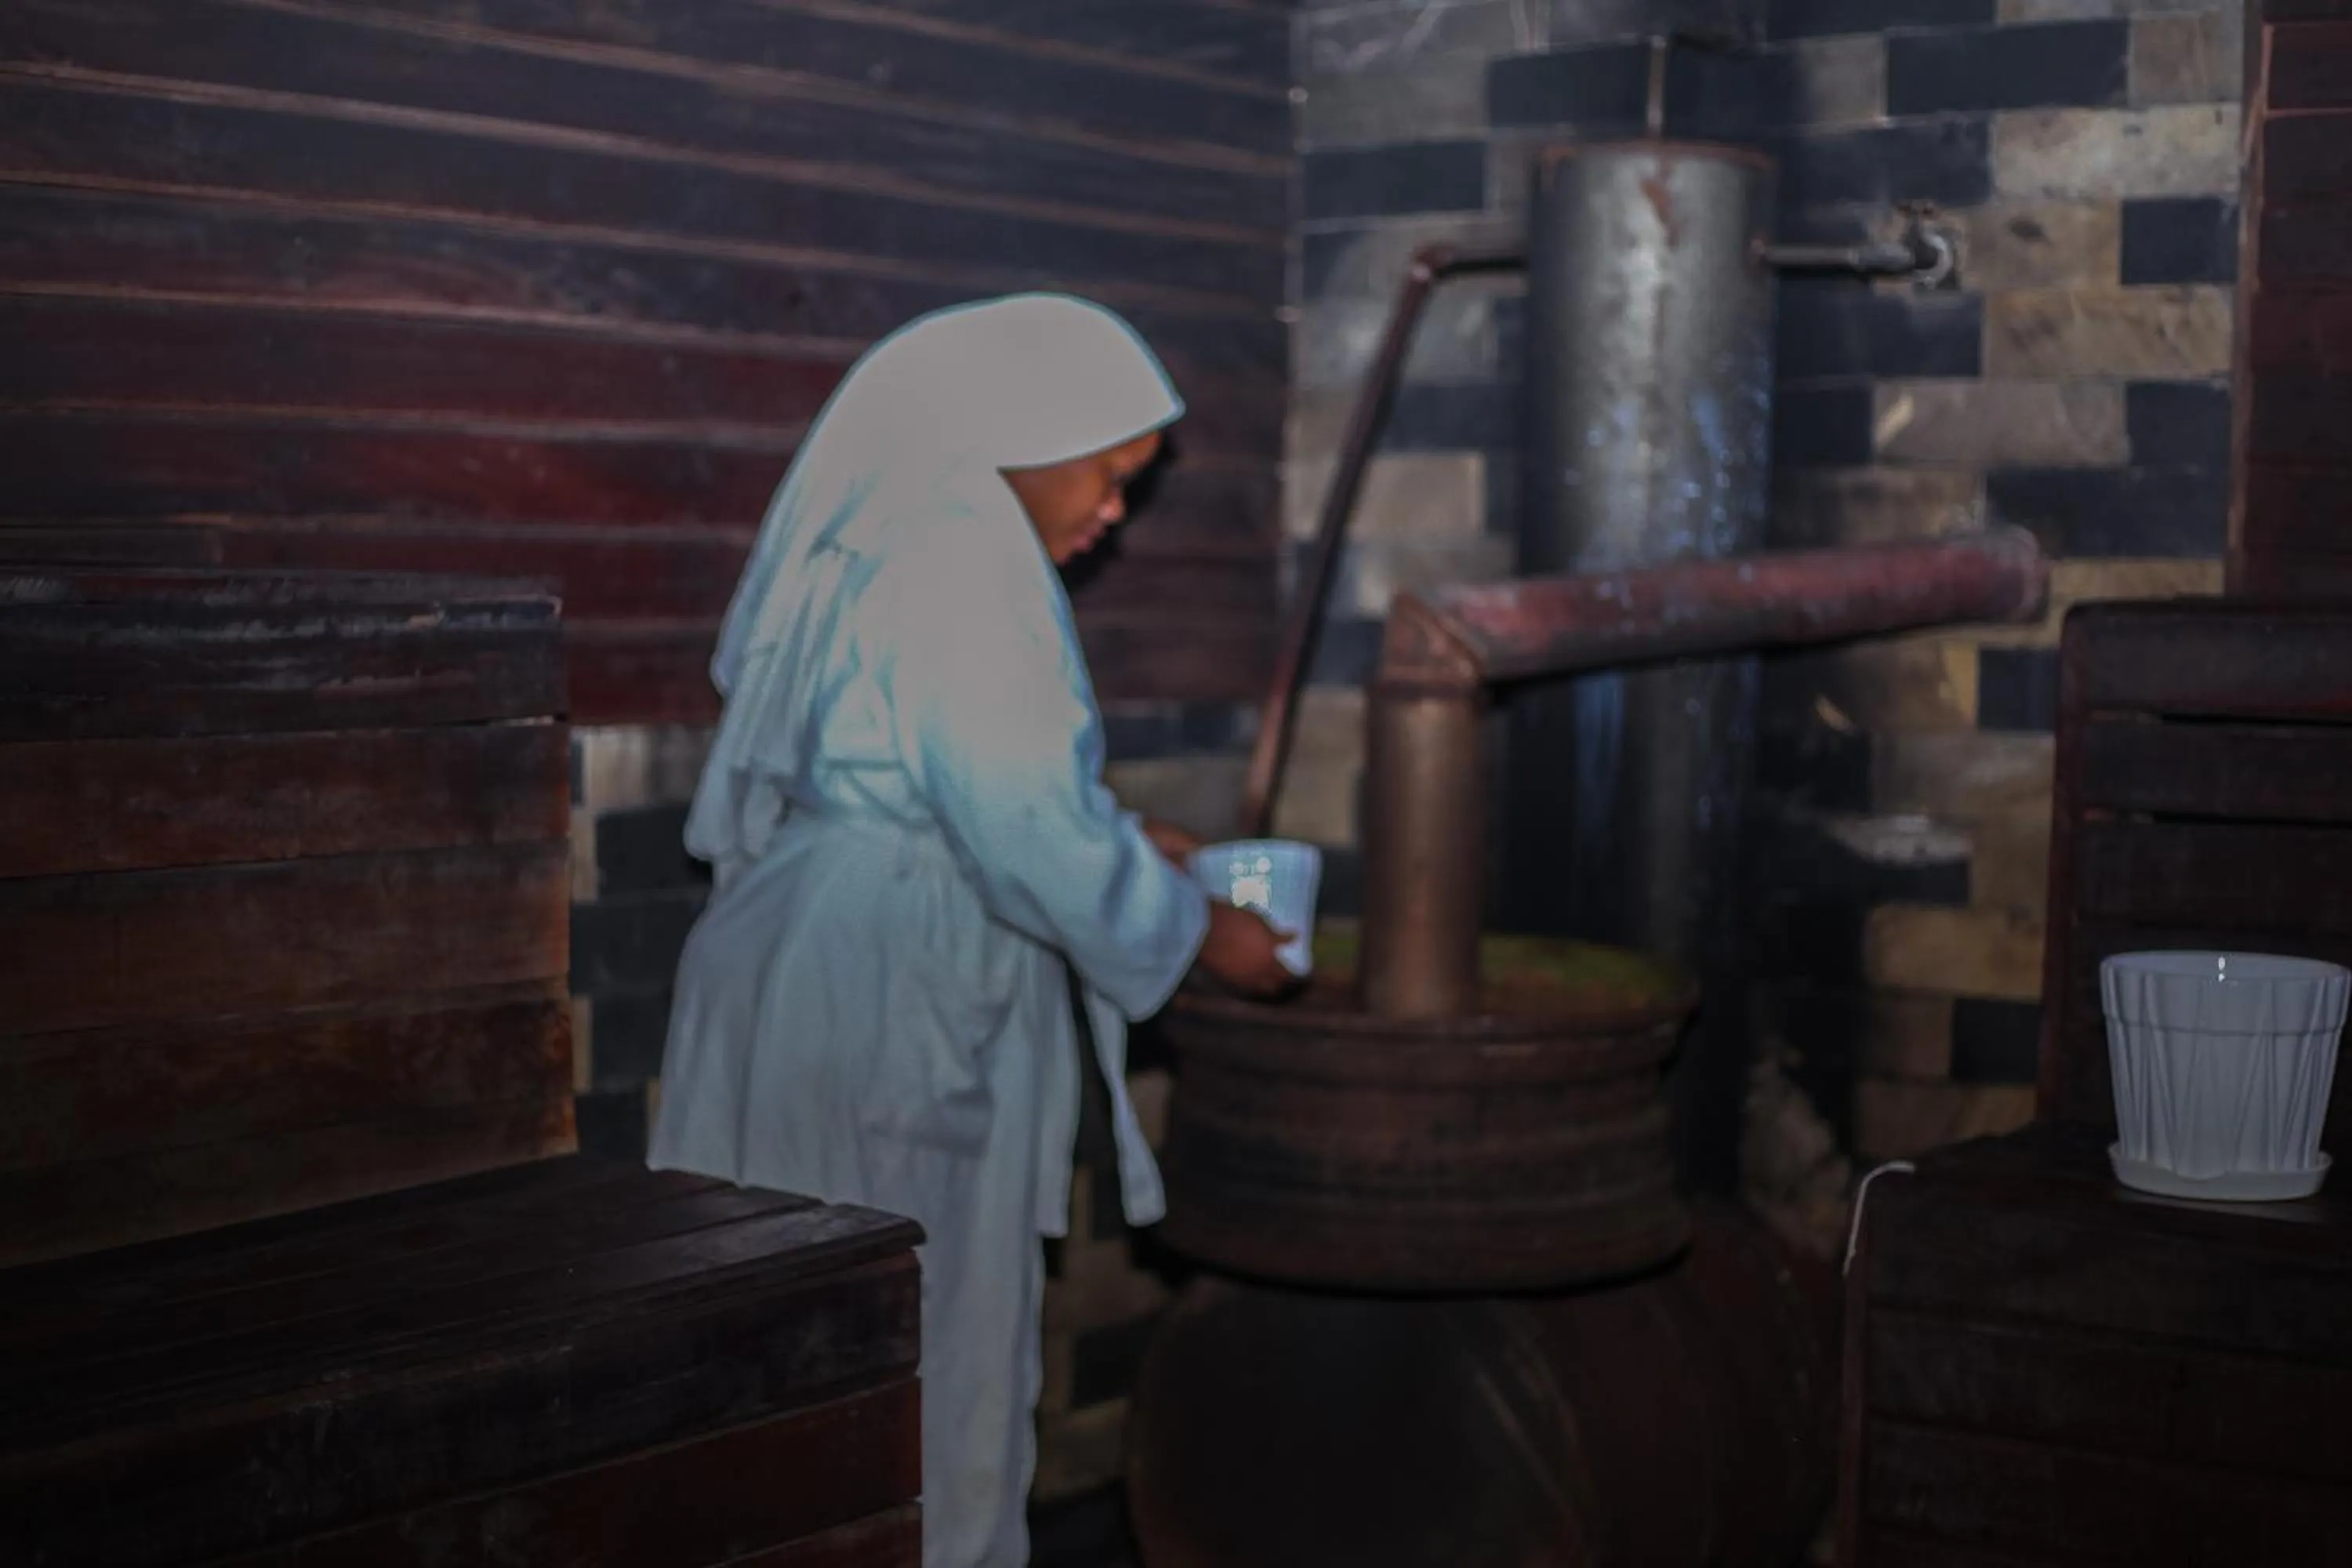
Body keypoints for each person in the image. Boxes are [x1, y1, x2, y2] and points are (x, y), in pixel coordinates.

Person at [647, 292, 1294, 1568]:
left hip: (831, 942)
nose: (1116, 513)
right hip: (892, 984)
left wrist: (1130, 837)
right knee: (915, 1360)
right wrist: (1201, 933)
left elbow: (947, 777)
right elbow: (1025, 829)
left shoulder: (898, 532)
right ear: (1023, 439)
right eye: (1109, 475)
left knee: (809, 1357)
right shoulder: (964, 560)